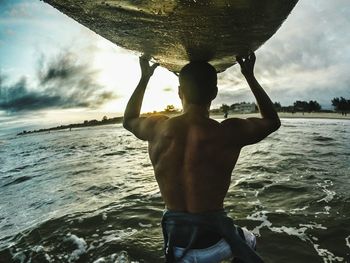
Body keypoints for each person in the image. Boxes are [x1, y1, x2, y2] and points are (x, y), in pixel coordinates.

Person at [123, 53, 280, 263]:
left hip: (178, 247)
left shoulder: (156, 128)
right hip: (216, 244)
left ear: (180, 92)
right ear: (214, 93)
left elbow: (129, 119)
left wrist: (145, 77)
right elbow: (271, 121)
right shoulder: (228, 132)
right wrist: (249, 75)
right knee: (250, 239)